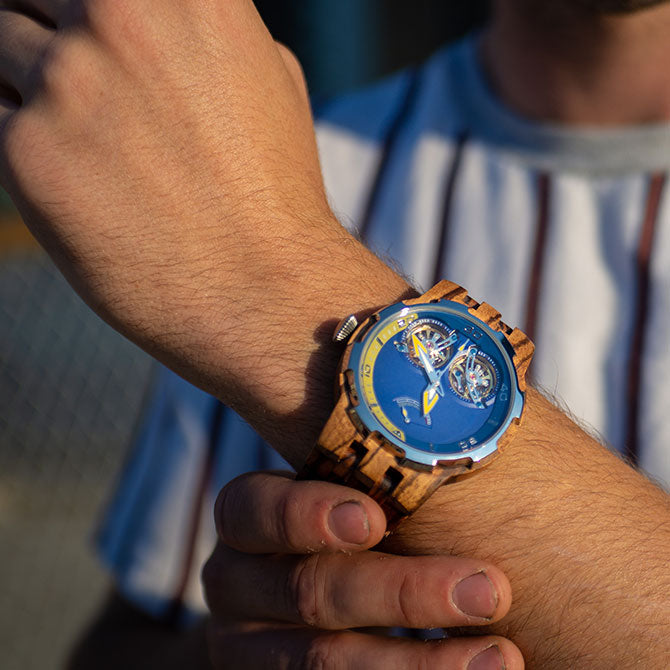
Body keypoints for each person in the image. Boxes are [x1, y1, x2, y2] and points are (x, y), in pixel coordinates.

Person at [1, 0, 669, 668]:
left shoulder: (247, 192)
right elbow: (132, 632)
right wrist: (230, 655)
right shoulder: (266, 149)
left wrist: (276, 274)